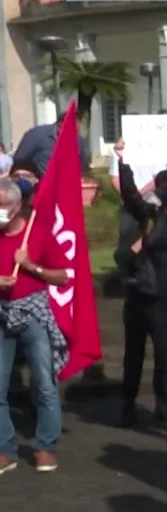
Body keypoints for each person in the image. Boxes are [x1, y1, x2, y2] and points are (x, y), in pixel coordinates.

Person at [114, 141, 167, 428]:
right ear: (158, 192)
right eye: (165, 187)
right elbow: (130, 196)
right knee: (166, 364)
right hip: (159, 302)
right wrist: (123, 161)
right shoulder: (150, 218)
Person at [0, 177, 71, 474]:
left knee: (44, 382)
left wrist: (31, 266)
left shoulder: (37, 234)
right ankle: (5, 448)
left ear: (17, 206)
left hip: (34, 315)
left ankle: (46, 446)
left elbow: (63, 276)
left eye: (3, 205)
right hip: (2, 315)